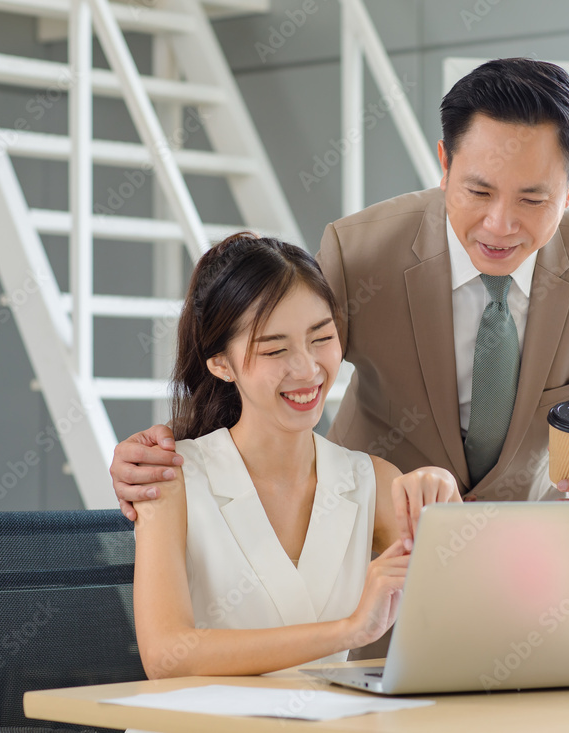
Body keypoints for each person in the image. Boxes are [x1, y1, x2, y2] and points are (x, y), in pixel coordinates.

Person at [111, 57, 569, 517]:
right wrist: (169, 453)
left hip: (527, 545)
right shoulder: (360, 251)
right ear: (445, 165)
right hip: (371, 526)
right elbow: (267, 369)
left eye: (532, 199)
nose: (499, 224)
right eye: (478, 192)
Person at [132, 233, 459, 678]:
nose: (307, 369)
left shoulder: (371, 480)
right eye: (275, 349)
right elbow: (167, 656)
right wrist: (349, 630)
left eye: (321, 337)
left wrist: (445, 505)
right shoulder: (170, 480)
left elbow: (476, 607)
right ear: (221, 364)